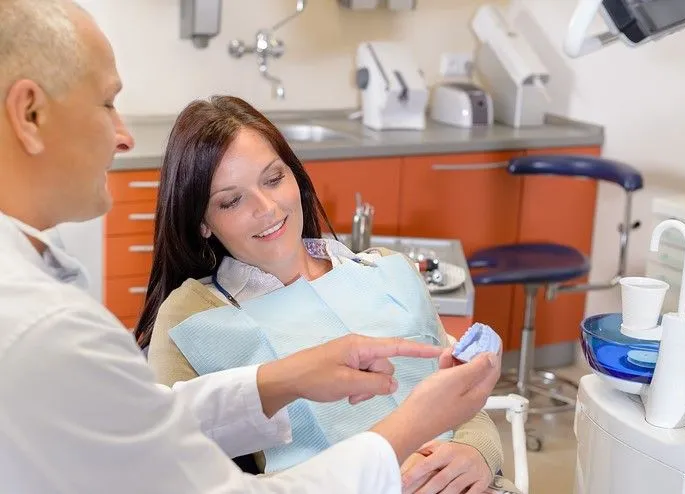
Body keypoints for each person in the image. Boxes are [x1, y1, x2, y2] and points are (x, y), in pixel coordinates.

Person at [0, 1, 502, 493]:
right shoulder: (63, 329)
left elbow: (153, 420)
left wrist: (281, 381)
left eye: (274, 177)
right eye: (108, 102)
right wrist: (410, 429)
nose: (126, 136)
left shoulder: (386, 269)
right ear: (30, 113)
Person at [134, 96, 518, 494]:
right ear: (202, 223)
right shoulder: (193, 314)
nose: (267, 208)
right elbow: (169, 469)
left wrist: (477, 453)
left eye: (273, 179)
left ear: (295, 176)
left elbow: (459, 400)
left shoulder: (387, 270)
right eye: (232, 200)